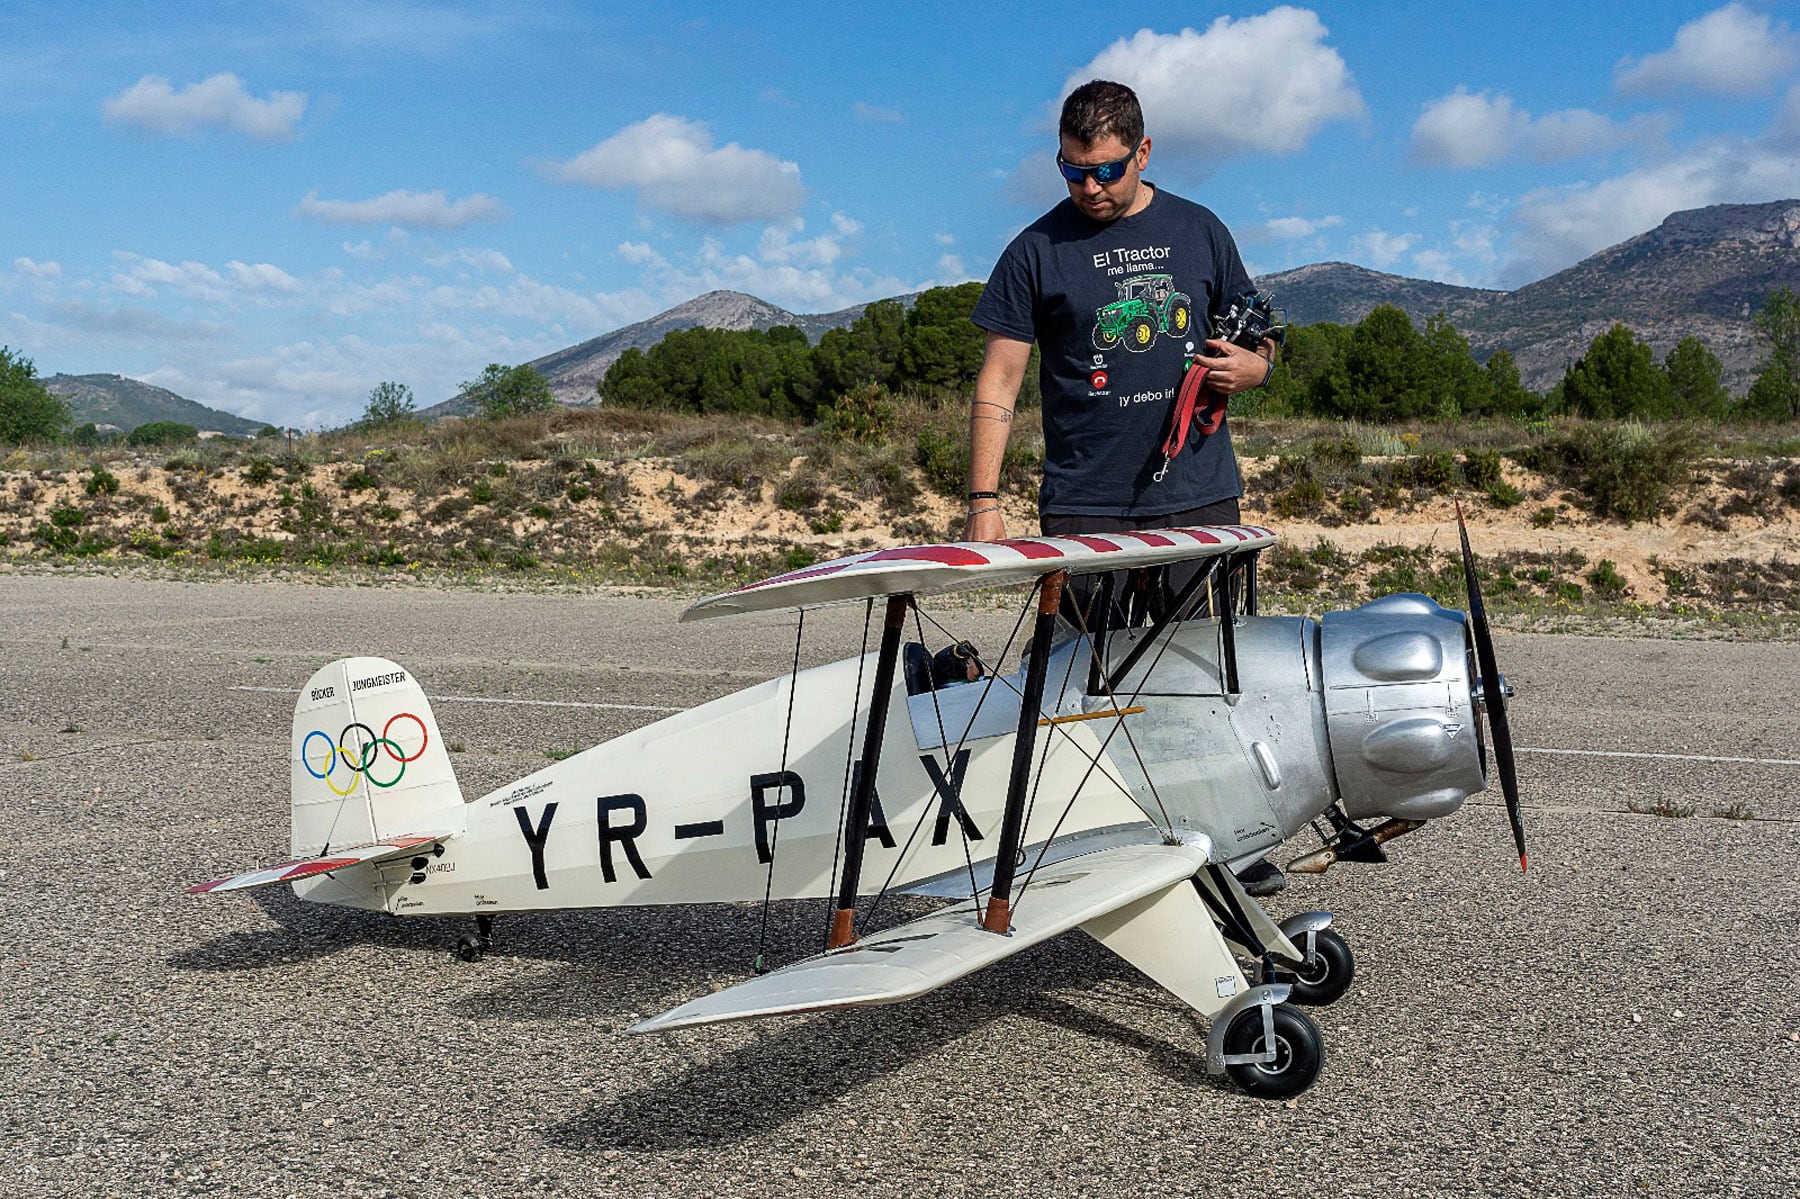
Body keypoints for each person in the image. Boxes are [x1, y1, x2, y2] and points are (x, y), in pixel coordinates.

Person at [962, 79, 1285, 896]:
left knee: (1204, 678)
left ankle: (1231, 847)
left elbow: (1258, 335)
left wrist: (1257, 367)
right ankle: (1078, 852)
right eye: (1072, 172)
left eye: (1104, 170)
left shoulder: (1201, 230)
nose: (1088, 188)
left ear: (1143, 152)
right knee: (1080, 685)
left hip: (1197, 493)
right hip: (1084, 504)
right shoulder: (1035, 249)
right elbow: (998, 381)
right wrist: (983, 505)